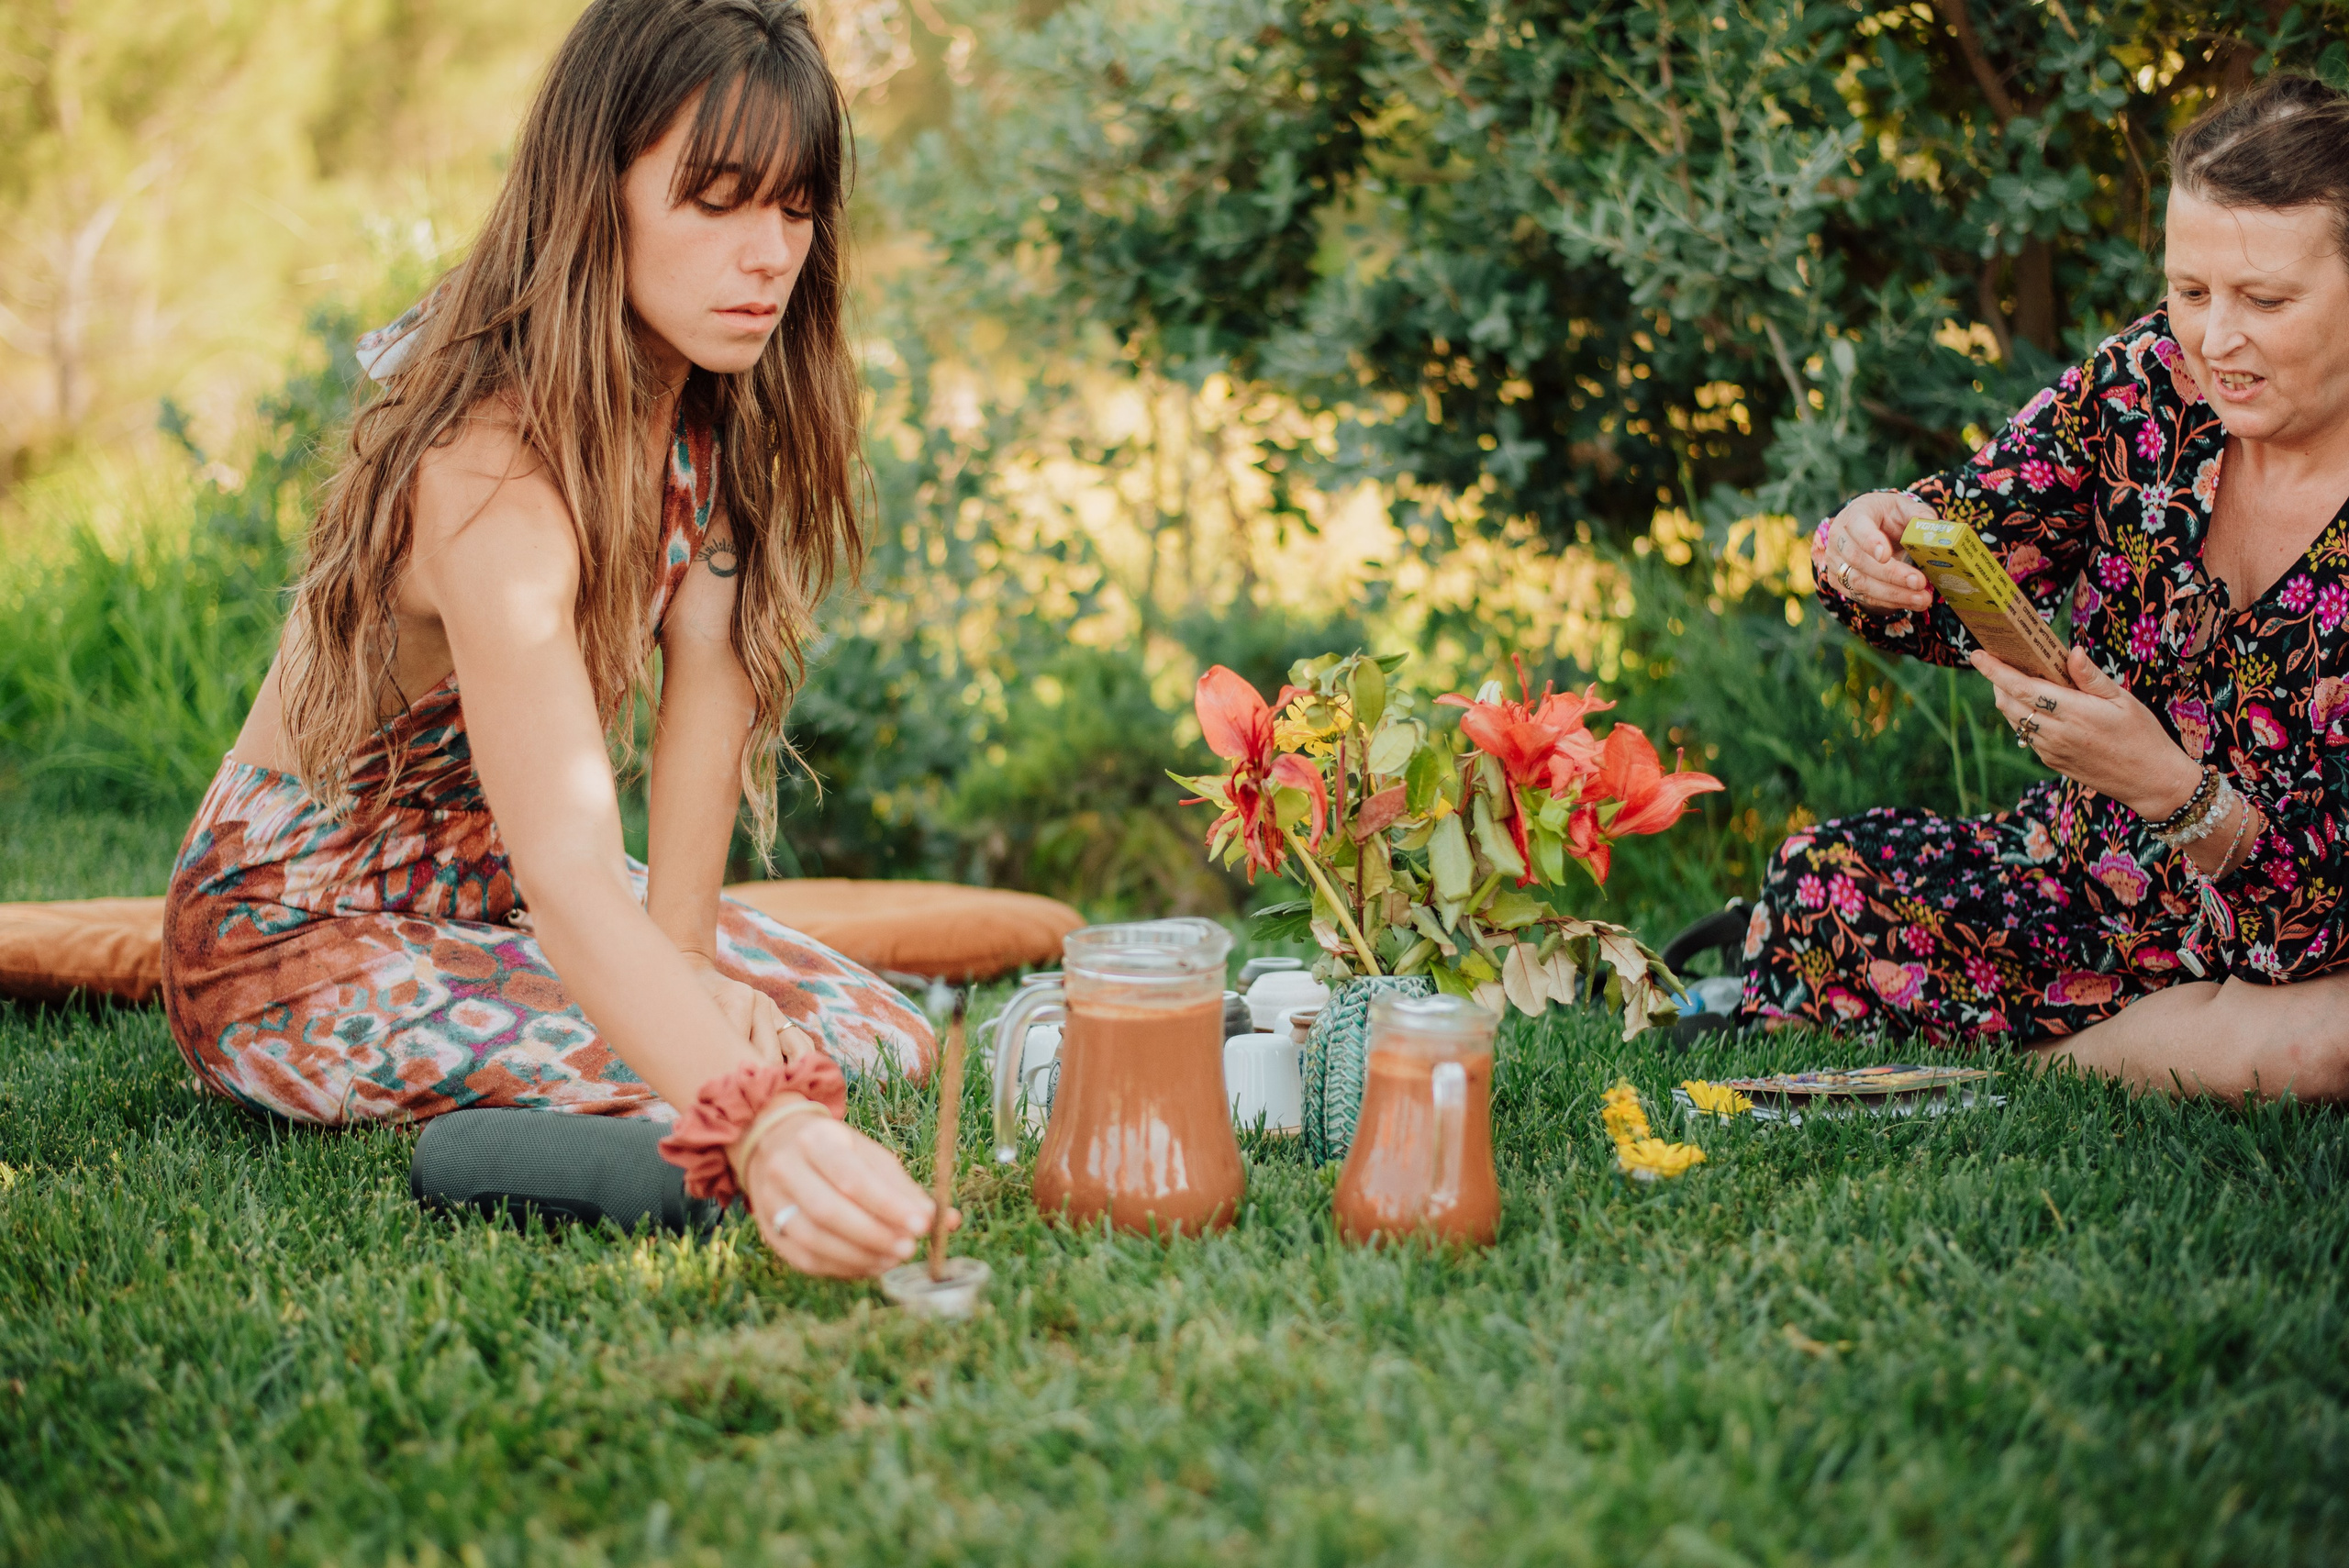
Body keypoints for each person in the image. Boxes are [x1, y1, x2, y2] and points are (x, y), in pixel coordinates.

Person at [161, 0, 951, 1276]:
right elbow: (576, 875)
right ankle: (576, 1139)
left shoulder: (706, 411)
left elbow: (712, 679)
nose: (769, 256)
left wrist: (690, 968)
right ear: (601, 192)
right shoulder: (493, 477)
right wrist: (754, 1128)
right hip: (301, 936)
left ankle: (633, 1096)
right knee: (764, 1079)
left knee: (879, 1038)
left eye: (796, 207)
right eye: (718, 200)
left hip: (488, 908)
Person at [1742, 74, 2349, 1105]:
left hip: (2308, 937)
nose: (2213, 339)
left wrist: (2173, 788)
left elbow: (2319, 919)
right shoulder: (2145, 383)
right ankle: (2151, 1053)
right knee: (1824, 878)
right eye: (2190, 290)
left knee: (2329, 1035)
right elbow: (1961, 545)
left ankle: (2034, 1063)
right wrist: (1869, 543)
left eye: (2265, 300)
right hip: (2088, 888)